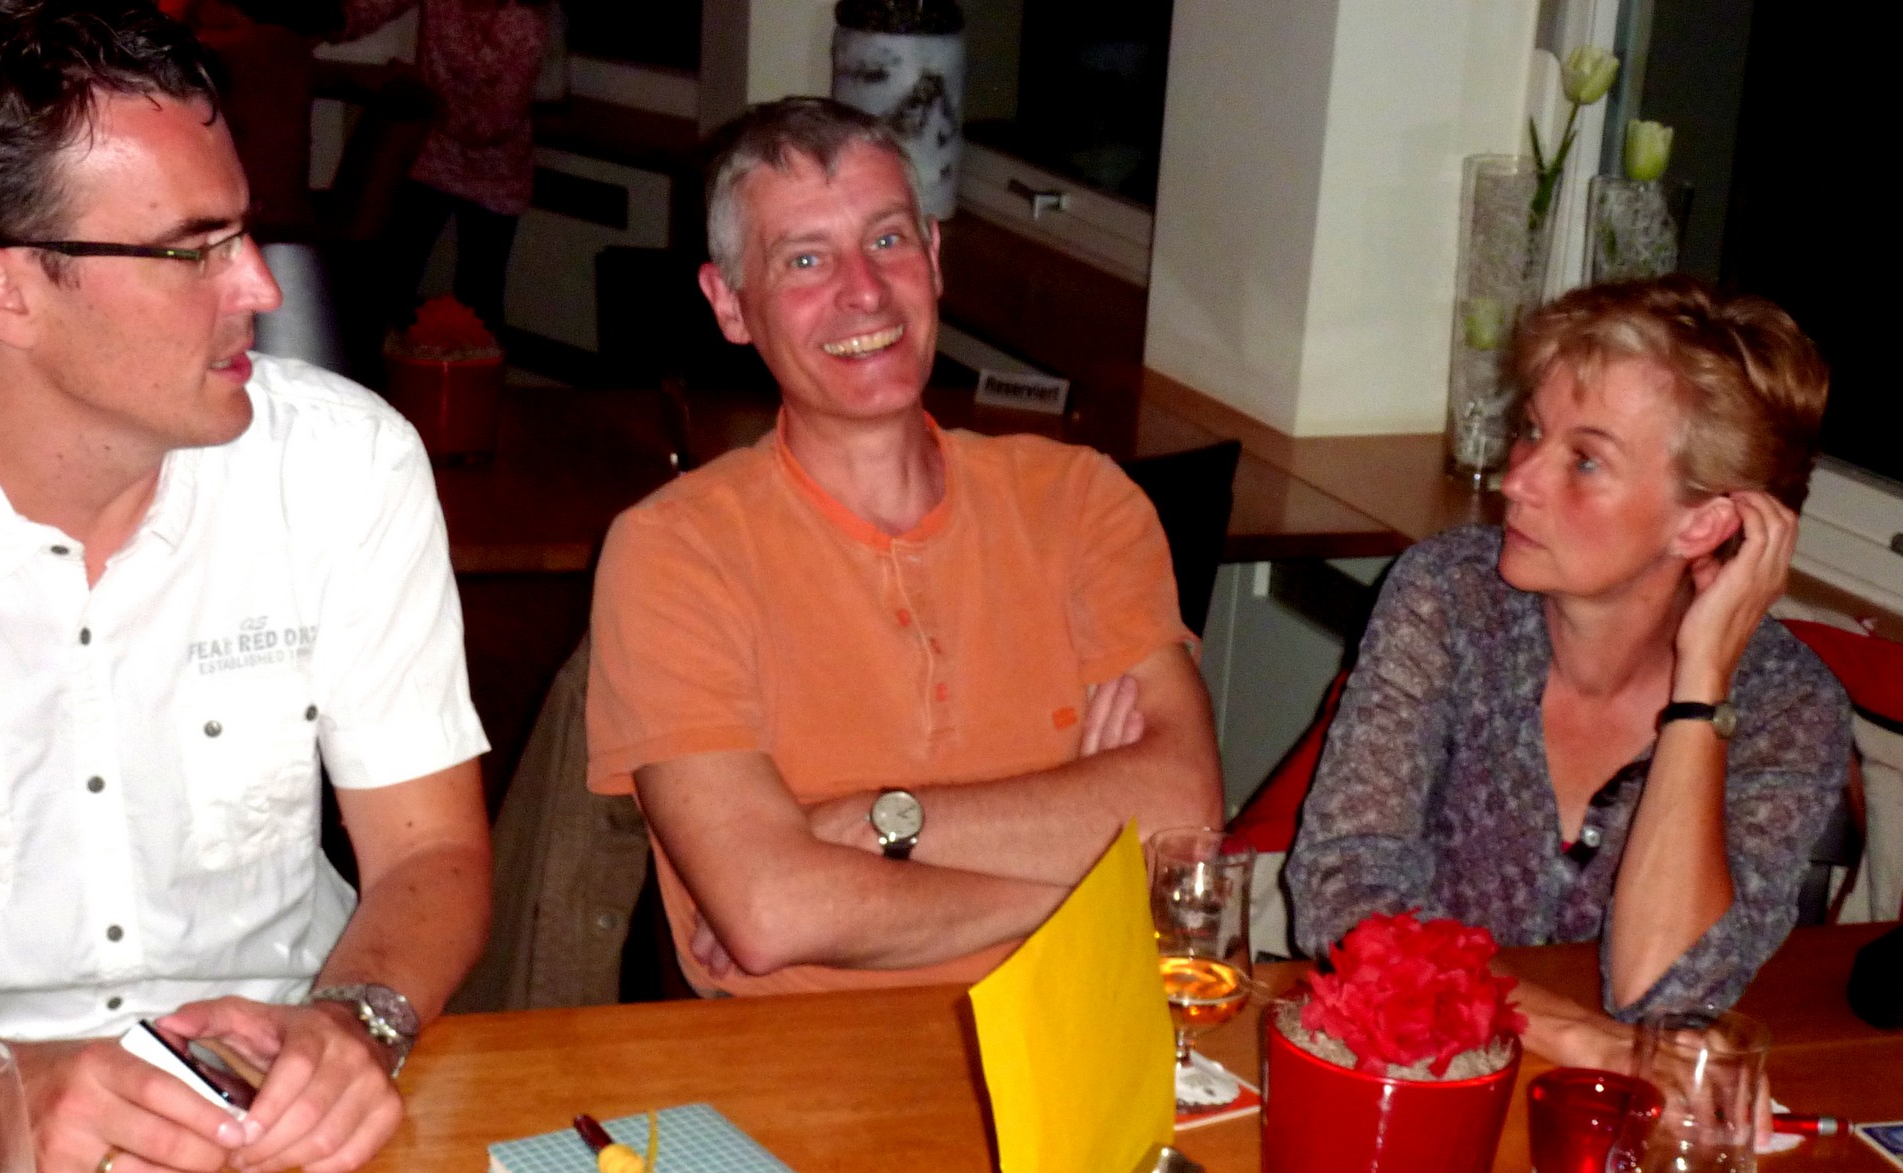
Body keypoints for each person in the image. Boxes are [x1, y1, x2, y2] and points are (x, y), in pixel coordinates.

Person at [0, 0, 491, 1173]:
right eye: (193, 249)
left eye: (243, 229)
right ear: (5, 290)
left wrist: (358, 1021)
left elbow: (430, 854)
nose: (260, 284)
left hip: (287, 1128)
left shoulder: (344, 464)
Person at [584, 97, 1223, 997]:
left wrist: (870, 827)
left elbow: (1183, 813)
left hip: (1081, 1026)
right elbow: (770, 912)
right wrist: (1088, 885)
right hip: (808, 1061)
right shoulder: (673, 552)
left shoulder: (1081, 501)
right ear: (730, 304)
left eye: (887, 240)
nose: (864, 290)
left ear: (934, 255)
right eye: (805, 259)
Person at [1286, 276, 1850, 1068]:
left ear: (1705, 522)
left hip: (1605, 1108)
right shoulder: (1451, 597)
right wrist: (1568, 1034)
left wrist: (1701, 693)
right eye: (1531, 430)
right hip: (1417, 1072)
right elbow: (1345, 898)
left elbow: (1670, 993)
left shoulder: (1790, 707)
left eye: (1585, 460)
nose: (1516, 480)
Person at [340, 0, 548, 335]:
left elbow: (491, 125)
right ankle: (379, 361)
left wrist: (422, 98)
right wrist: (334, 20)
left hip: (495, 178)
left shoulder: (524, 22)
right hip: (431, 160)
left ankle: (476, 366)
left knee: (479, 296)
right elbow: (374, 6)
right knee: (390, 276)